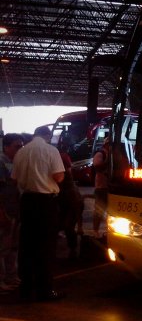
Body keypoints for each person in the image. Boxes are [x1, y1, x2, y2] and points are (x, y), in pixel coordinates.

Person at [11, 126, 66, 301]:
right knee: (46, 247)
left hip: (27, 202)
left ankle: (25, 289)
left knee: (26, 246)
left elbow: (14, 179)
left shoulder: (21, 152)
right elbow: (58, 177)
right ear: (47, 136)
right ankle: (45, 290)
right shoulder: (51, 150)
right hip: (45, 203)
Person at [0, 133, 24, 293]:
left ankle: (11, 276)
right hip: (5, 212)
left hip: (14, 211)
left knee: (12, 247)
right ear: (6, 147)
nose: (20, 149)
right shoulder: (1, 163)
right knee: (2, 248)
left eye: (21, 146)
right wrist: (2, 213)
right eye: (17, 146)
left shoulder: (14, 162)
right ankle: (2, 280)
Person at [57, 139, 84, 259]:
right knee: (62, 225)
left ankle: (73, 249)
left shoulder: (69, 188)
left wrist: (80, 226)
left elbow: (77, 207)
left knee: (68, 227)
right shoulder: (58, 185)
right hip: (66, 203)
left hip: (72, 203)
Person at [92, 135, 110, 238]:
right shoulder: (100, 154)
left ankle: (107, 230)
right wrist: (109, 164)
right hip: (101, 186)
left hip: (109, 187)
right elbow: (97, 167)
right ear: (106, 144)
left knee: (110, 211)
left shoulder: (110, 153)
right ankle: (95, 231)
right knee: (99, 210)